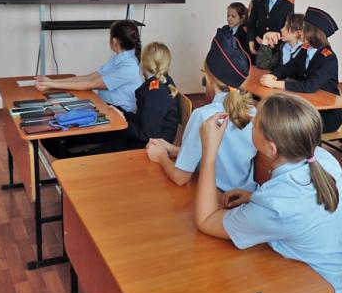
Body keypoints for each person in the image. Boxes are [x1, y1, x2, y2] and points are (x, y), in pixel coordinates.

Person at [194, 93, 342, 293]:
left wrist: (209, 151)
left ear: (271, 149)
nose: (251, 123)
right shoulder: (323, 160)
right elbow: (297, 208)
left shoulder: (278, 205)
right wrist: (256, 198)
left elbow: (206, 220)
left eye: (255, 124)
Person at [147, 29, 256, 191]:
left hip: (214, 196)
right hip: (245, 195)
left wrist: (161, 156)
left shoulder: (203, 115)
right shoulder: (253, 111)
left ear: (207, 78)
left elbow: (180, 177)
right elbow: (221, 156)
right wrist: (172, 149)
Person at [47, 42, 180, 157]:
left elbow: (147, 135)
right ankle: (67, 153)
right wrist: (120, 111)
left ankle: (70, 160)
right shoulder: (161, 83)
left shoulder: (156, 92)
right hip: (144, 137)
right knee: (97, 132)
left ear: (144, 62)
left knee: (94, 154)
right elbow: (145, 121)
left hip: (150, 145)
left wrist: (122, 118)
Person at [261, 7, 342, 133]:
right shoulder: (305, 49)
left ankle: (297, 151)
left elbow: (310, 86)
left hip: (326, 113)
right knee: (277, 117)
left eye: (303, 29)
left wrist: (276, 84)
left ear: (312, 32)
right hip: (307, 106)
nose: (300, 32)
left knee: (286, 124)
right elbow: (289, 67)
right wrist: (273, 75)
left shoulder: (329, 58)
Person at [36, 20, 143, 114]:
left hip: (118, 114)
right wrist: (51, 81)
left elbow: (90, 84)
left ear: (114, 41)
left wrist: (50, 84)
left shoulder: (129, 67)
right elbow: (89, 77)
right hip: (106, 106)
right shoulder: (120, 59)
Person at [246, 0, 295, 70]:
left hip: (274, 51)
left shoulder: (288, 4)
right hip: (256, 47)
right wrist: (251, 41)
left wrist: (272, 44)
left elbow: (287, 30)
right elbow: (251, 23)